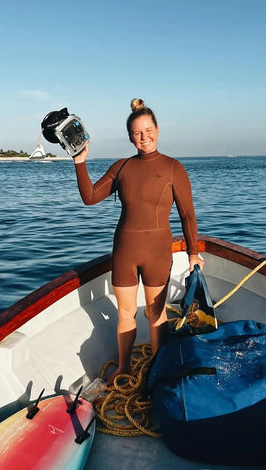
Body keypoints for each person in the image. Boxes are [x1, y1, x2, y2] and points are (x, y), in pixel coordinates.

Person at [73, 98, 204, 383]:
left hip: (157, 251)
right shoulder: (122, 167)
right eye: (136, 133)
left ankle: (158, 370)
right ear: (130, 136)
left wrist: (193, 253)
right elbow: (90, 197)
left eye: (148, 130)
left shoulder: (173, 168)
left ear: (158, 130)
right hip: (125, 251)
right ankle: (124, 367)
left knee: (156, 313)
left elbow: (188, 215)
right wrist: (80, 162)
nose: (143, 137)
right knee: (126, 313)